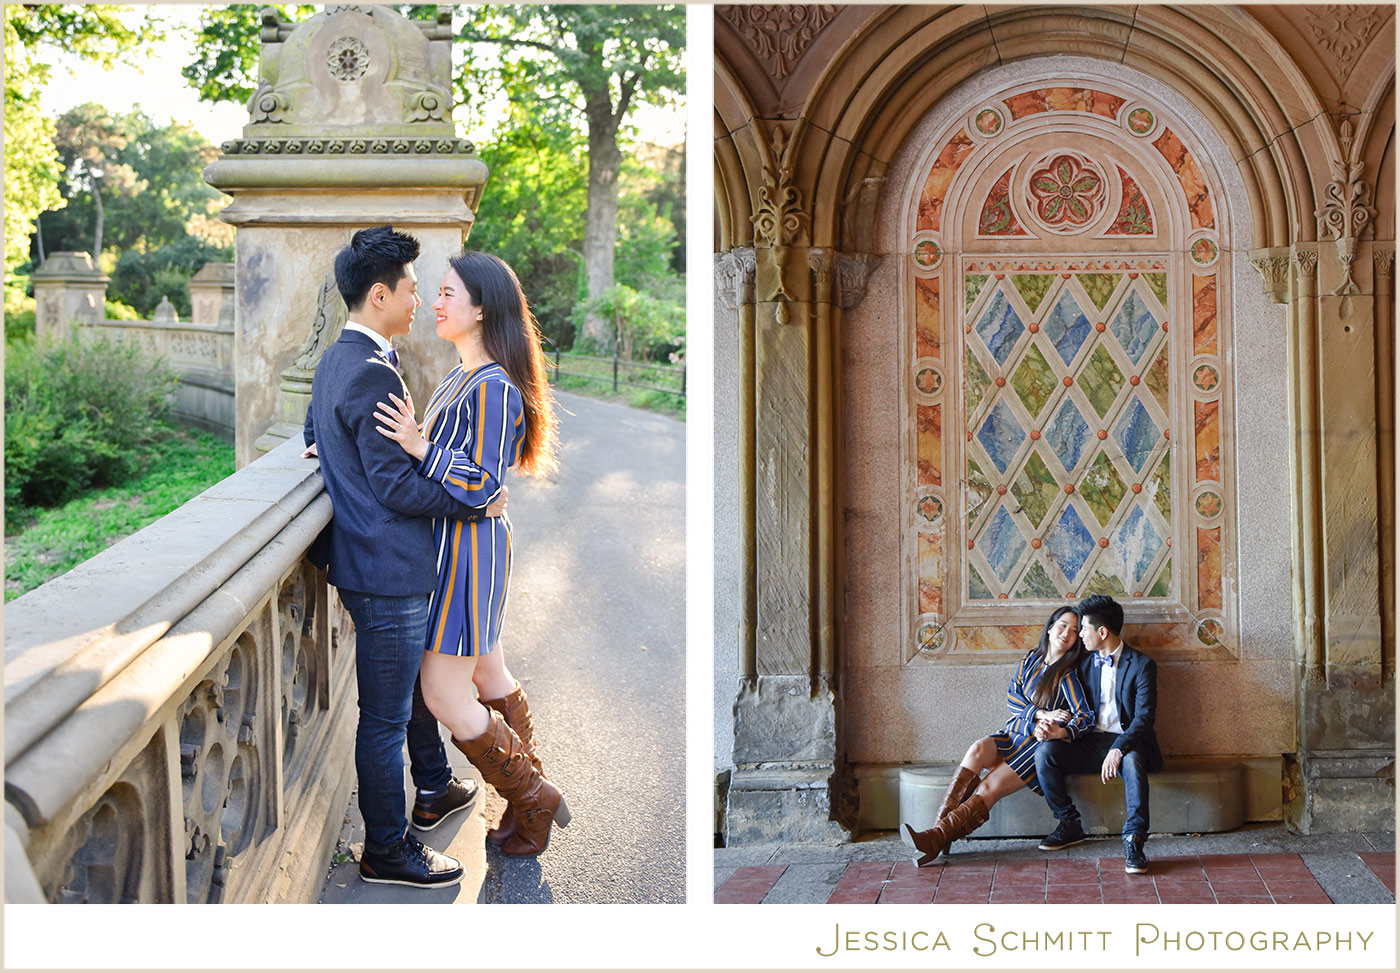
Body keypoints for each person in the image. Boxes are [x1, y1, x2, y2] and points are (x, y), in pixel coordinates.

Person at [302, 225, 504, 888]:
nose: (420, 299)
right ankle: (387, 849)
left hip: (368, 563)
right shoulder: (371, 372)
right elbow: (395, 486)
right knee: (384, 720)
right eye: (413, 289)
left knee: (409, 694)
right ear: (380, 295)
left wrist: (327, 446)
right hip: (387, 571)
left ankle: (435, 787)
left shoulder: (338, 360)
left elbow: (314, 427)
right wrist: (475, 503)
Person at [373, 249, 569, 858]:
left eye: (448, 293)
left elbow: (484, 484)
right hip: (460, 545)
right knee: (486, 674)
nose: (435, 302)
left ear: (481, 309)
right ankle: (526, 796)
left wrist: (419, 446)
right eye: (436, 292)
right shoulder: (462, 378)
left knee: (443, 694)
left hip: (467, 552)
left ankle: (533, 796)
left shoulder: (492, 387)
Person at [903, 606, 1093, 866]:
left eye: (1074, 630)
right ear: (1050, 628)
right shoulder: (1031, 659)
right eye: (1062, 625)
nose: (1066, 633)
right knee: (977, 750)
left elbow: (1086, 717)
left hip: (1032, 747)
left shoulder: (1067, 675)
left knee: (987, 787)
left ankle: (935, 838)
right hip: (1013, 734)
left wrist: (1062, 730)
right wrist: (1040, 713)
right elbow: (1013, 698)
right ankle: (938, 836)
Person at [1033, 594, 1163, 874]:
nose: (1079, 635)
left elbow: (1144, 719)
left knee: (1132, 761)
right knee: (1045, 753)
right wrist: (1054, 726)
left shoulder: (1142, 665)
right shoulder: (1081, 663)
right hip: (1088, 741)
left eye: (1083, 628)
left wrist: (1118, 748)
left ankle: (1134, 840)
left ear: (1102, 632)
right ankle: (1069, 822)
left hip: (1126, 741)